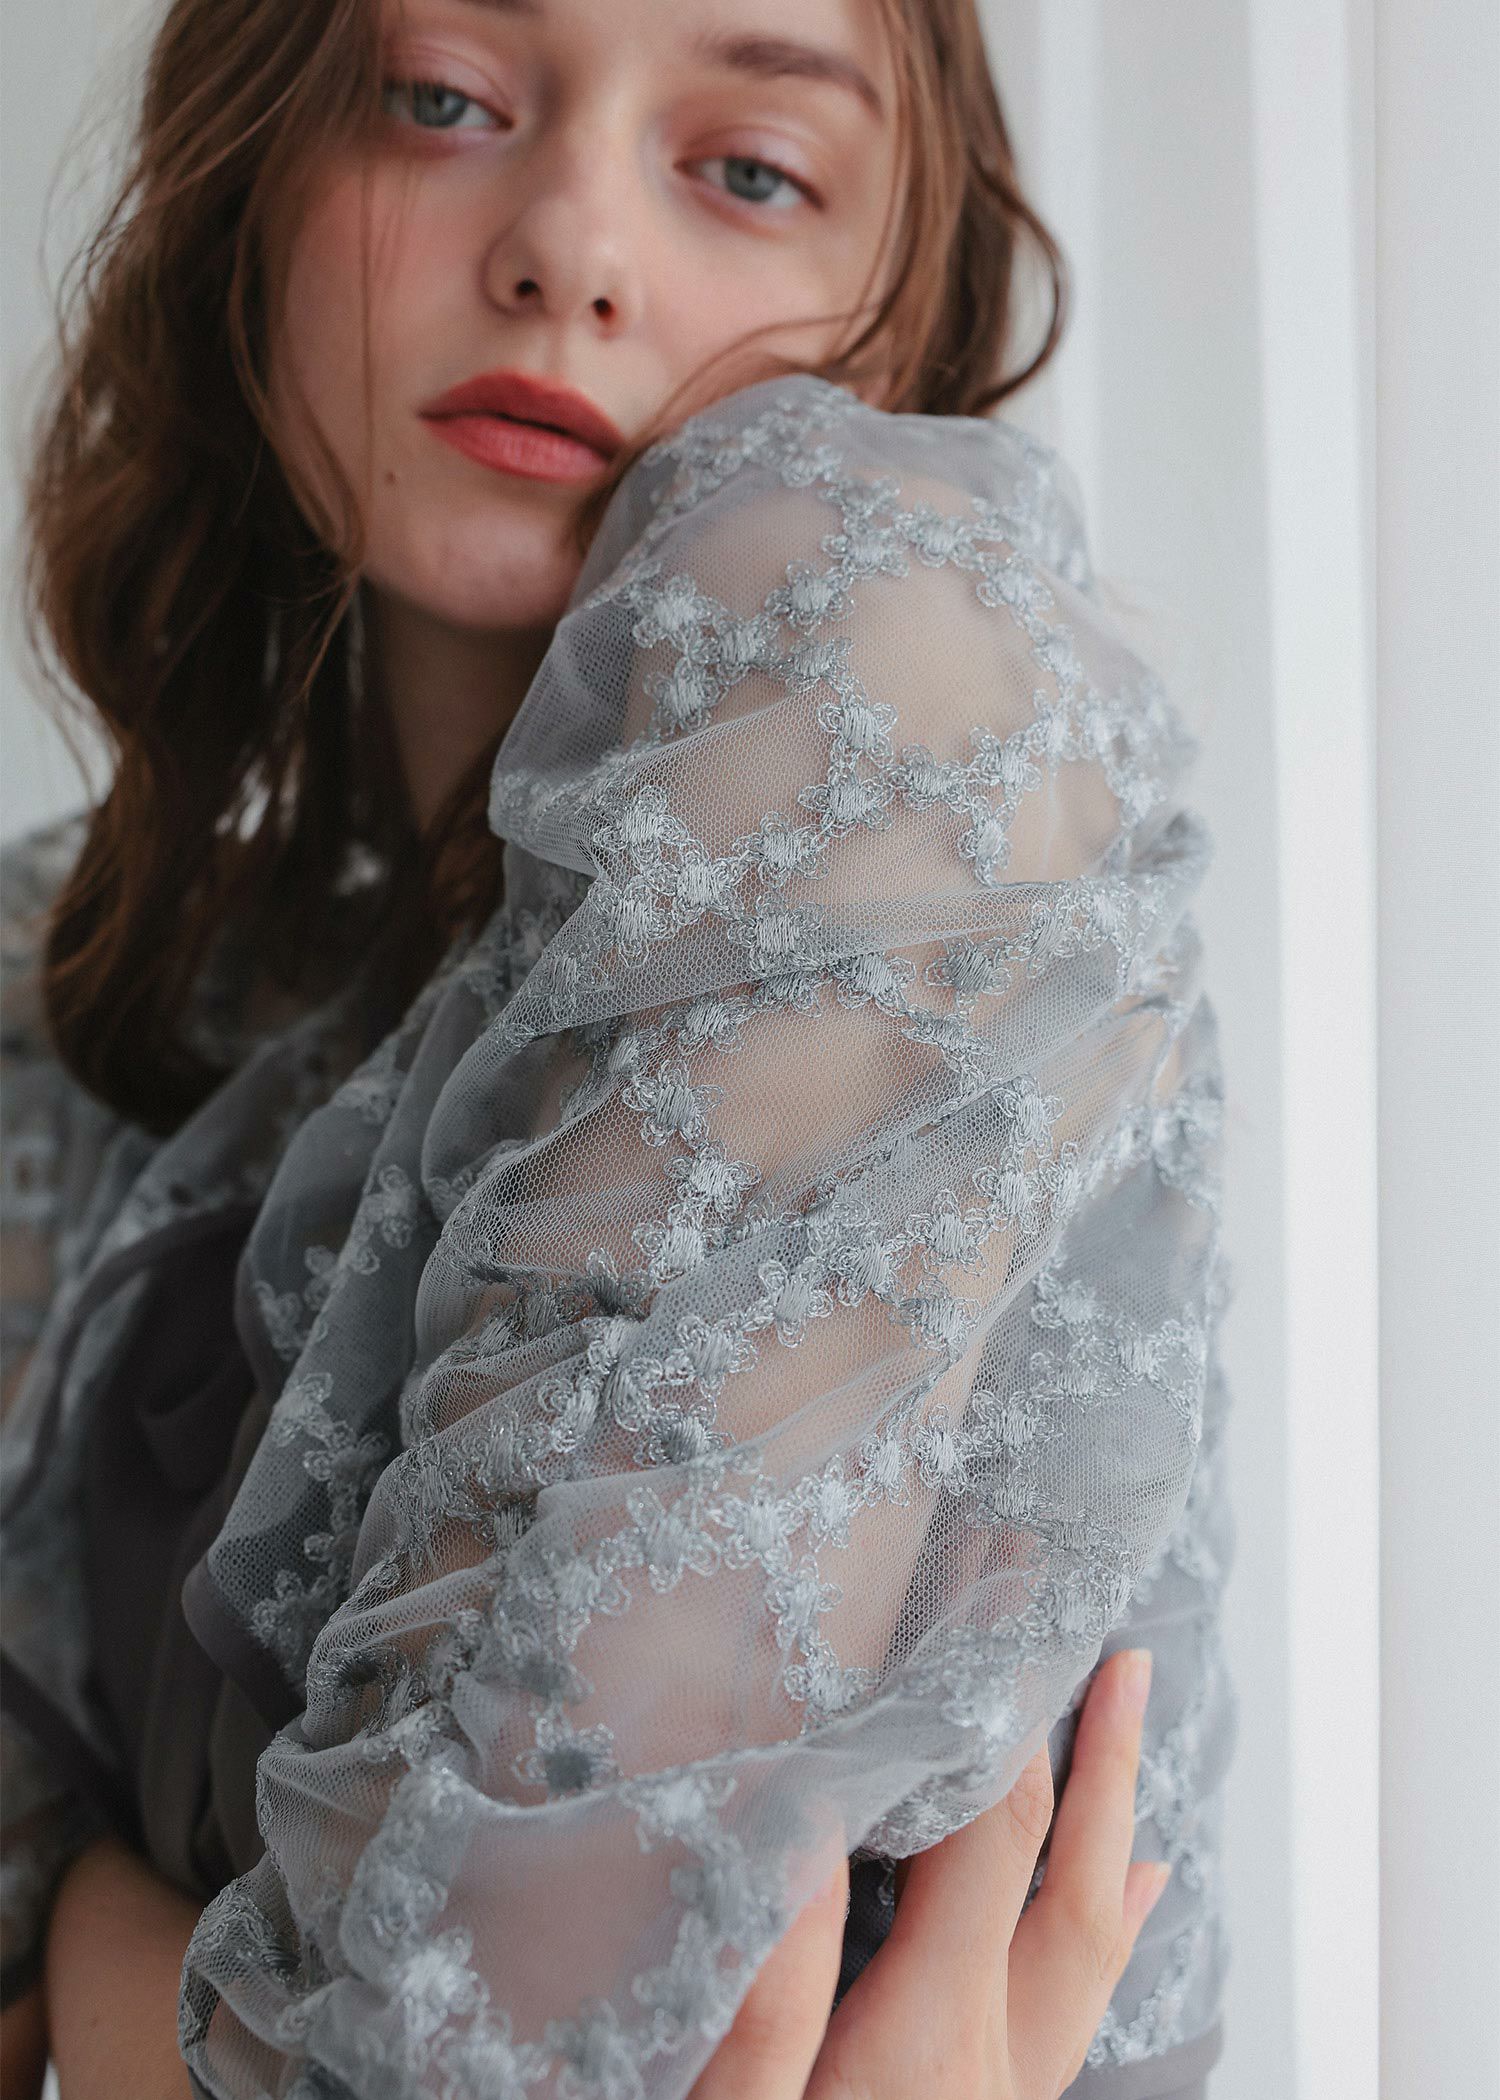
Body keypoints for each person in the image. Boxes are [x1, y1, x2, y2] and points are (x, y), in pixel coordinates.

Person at [0, 0, 1236, 2095]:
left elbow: (465, 2053)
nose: (568, 249)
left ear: (901, 313)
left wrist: (104, 1942)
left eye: (749, 170)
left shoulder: (904, 688)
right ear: (250, 180)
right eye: (442, 100)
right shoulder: (72, 978)